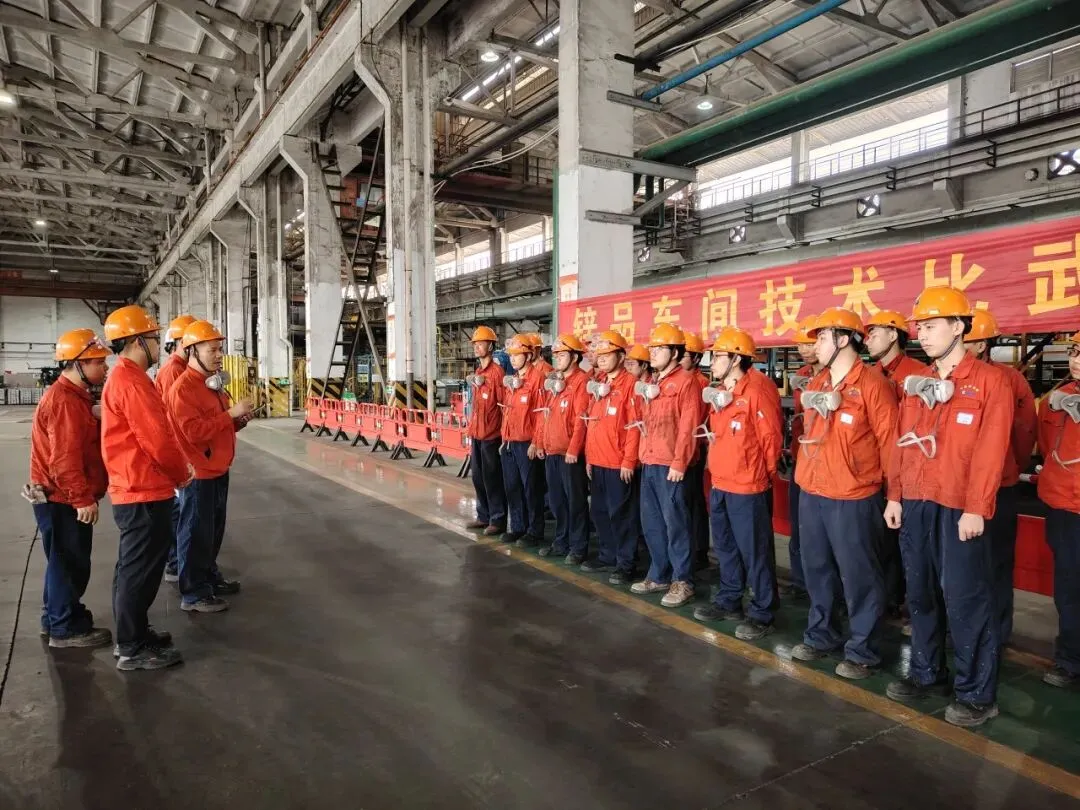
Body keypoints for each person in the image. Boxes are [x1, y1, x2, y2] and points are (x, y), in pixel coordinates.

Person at [884, 286, 1014, 728]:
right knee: (920, 593)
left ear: (959, 327)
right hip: (917, 501)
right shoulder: (917, 383)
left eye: (931, 325)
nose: (922, 334)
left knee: (966, 598)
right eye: (919, 327)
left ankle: (976, 694)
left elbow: (991, 452)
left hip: (959, 507)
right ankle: (926, 672)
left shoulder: (990, 382)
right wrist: (895, 495)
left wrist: (976, 507)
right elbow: (901, 443)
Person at [790, 307, 897, 681]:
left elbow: (890, 443)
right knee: (817, 569)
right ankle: (821, 635)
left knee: (859, 575)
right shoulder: (818, 383)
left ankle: (863, 650)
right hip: (813, 490)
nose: (815, 345)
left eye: (821, 337)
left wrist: (895, 496)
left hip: (853, 496)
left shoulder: (873, 385)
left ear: (844, 339)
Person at [101, 305, 193, 671]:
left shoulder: (127, 377)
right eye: (155, 338)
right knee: (137, 572)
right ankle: (132, 647)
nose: (159, 345)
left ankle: (134, 634)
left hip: (138, 486)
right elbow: (157, 439)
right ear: (138, 341)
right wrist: (181, 473)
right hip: (142, 489)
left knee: (134, 569)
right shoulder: (132, 381)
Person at [693, 327, 783, 640]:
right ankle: (729, 598)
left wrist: (761, 474)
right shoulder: (720, 390)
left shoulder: (758, 389)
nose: (712, 361)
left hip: (748, 486)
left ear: (736, 358)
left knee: (755, 551)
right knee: (726, 546)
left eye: (718, 356)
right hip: (721, 482)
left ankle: (762, 611)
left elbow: (771, 438)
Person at [28, 329, 112, 648]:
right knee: (69, 563)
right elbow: (64, 461)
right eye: (98, 362)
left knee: (61, 561)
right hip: (61, 497)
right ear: (78, 364)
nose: (105, 367)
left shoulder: (75, 397)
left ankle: (56, 617)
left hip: (53, 493)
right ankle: (64, 629)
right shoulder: (65, 401)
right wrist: (82, 499)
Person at [166, 321, 253, 613]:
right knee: (195, 532)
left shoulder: (212, 385)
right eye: (212, 350)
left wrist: (237, 421)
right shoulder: (183, 389)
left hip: (217, 468)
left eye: (220, 350)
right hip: (198, 473)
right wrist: (230, 414)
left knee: (212, 530)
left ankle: (208, 577)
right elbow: (192, 432)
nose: (219, 356)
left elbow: (217, 425)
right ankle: (193, 592)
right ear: (192, 351)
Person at [963, 308, 1036, 647]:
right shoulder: (946, 377)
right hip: (959, 488)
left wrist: (1010, 469)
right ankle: (966, 628)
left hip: (998, 488)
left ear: (981, 345)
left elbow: (1024, 432)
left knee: (996, 562)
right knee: (964, 564)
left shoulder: (1006, 380)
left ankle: (995, 632)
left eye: (967, 341)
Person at [865, 309, 930, 623]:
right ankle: (887, 599)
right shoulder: (868, 377)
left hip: (910, 471)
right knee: (879, 541)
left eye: (874, 333)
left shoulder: (920, 375)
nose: (868, 340)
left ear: (893, 334)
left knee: (910, 544)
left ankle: (911, 603)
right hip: (876, 472)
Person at [632, 323, 700, 608]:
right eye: (653, 348)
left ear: (674, 352)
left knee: (676, 525)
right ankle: (659, 574)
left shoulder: (686, 381)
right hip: (650, 461)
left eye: (660, 348)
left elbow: (688, 426)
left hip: (671, 465)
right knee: (652, 523)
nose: (653, 352)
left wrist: (680, 462)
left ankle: (682, 581)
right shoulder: (654, 382)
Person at [1036, 330, 1080, 690]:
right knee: (1069, 589)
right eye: (1075, 351)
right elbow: (1045, 444)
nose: (1076, 359)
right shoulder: (1055, 401)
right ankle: (1070, 659)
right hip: (1064, 507)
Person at [582, 331, 640, 584]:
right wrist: (589, 457)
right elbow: (592, 422)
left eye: (607, 354)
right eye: (600, 354)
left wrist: (629, 460)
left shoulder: (630, 385)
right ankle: (608, 555)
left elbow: (635, 426)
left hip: (618, 464)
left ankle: (626, 563)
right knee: (600, 511)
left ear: (621, 356)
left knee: (622, 515)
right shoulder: (600, 383)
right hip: (598, 461)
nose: (602, 358)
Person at [532, 334, 591, 563]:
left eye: (562, 354)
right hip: (552, 452)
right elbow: (544, 414)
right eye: (555, 354)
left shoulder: (581, 382)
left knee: (575, 502)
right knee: (557, 502)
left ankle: (578, 547)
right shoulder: (555, 382)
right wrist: (540, 441)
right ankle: (561, 542)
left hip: (569, 455)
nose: (557, 358)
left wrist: (574, 449)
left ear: (575, 357)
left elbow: (581, 419)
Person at [156, 313, 197, 584]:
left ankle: (178, 562)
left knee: (180, 512)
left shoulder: (178, 368)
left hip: (181, 452)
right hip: (181, 452)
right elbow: (177, 417)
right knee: (183, 513)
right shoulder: (174, 371)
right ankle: (178, 565)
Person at [784, 315, 820, 599]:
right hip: (801, 460)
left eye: (809, 343)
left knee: (821, 534)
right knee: (798, 526)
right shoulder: (802, 376)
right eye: (800, 345)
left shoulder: (835, 379)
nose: (803, 349)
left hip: (826, 463)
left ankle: (825, 588)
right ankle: (800, 583)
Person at [499, 336, 545, 548]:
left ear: (528, 355)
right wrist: (504, 438)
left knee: (531, 489)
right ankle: (518, 527)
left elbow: (541, 414)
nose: (513, 359)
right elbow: (508, 411)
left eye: (518, 355)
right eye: (511, 355)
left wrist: (536, 442)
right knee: (513, 487)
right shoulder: (513, 379)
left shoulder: (537, 379)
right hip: (510, 442)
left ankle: (534, 530)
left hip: (527, 444)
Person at [465, 326, 507, 536]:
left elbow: (503, 406)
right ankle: (483, 515)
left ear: (490, 346)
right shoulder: (479, 373)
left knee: (492, 478)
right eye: (475, 344)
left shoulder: (496, 373)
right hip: (477, 434)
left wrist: (503, 436)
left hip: (491, 435)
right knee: (478, 477)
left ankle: (497, 519)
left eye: (480, 343)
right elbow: (476, 405)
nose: (476, 347)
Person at [680, 331, 711, 571]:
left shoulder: (700, 383)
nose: (680, 358)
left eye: (685, 355)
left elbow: (695, 423)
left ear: (697, 358)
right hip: (681, 451)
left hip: (693, 452)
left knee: (693, 502)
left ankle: (698, 550)